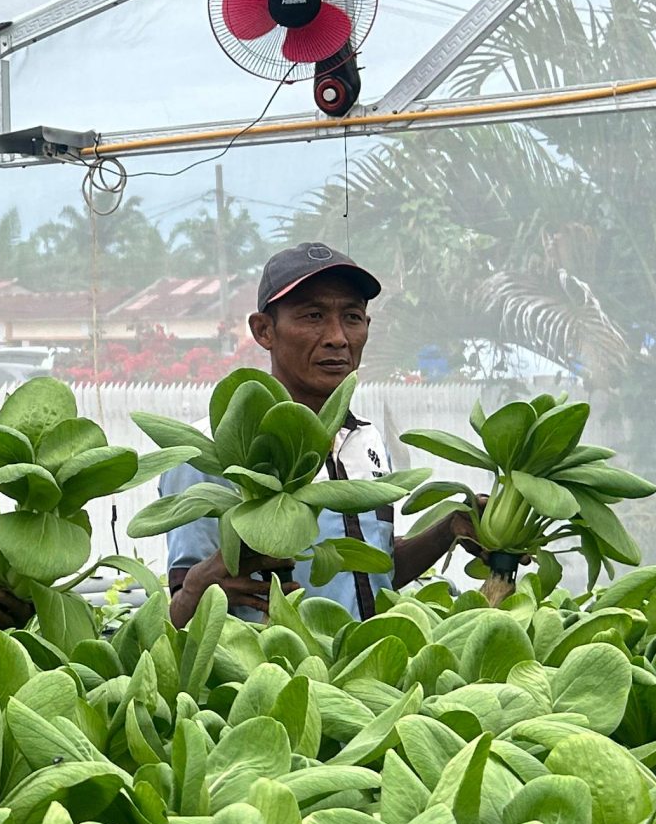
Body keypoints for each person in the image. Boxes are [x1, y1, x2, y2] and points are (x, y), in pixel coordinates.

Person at [157, 242, 468, 626]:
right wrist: (194, 593)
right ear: (264, 330)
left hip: (362, 671)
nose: (337, 337)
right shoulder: (214, 450)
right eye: (314, 316)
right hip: (268, 676)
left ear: (367, 329)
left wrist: (452, 527)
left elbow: (373, 572)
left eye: (352, 317)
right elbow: (177, 618)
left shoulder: (366, 440)